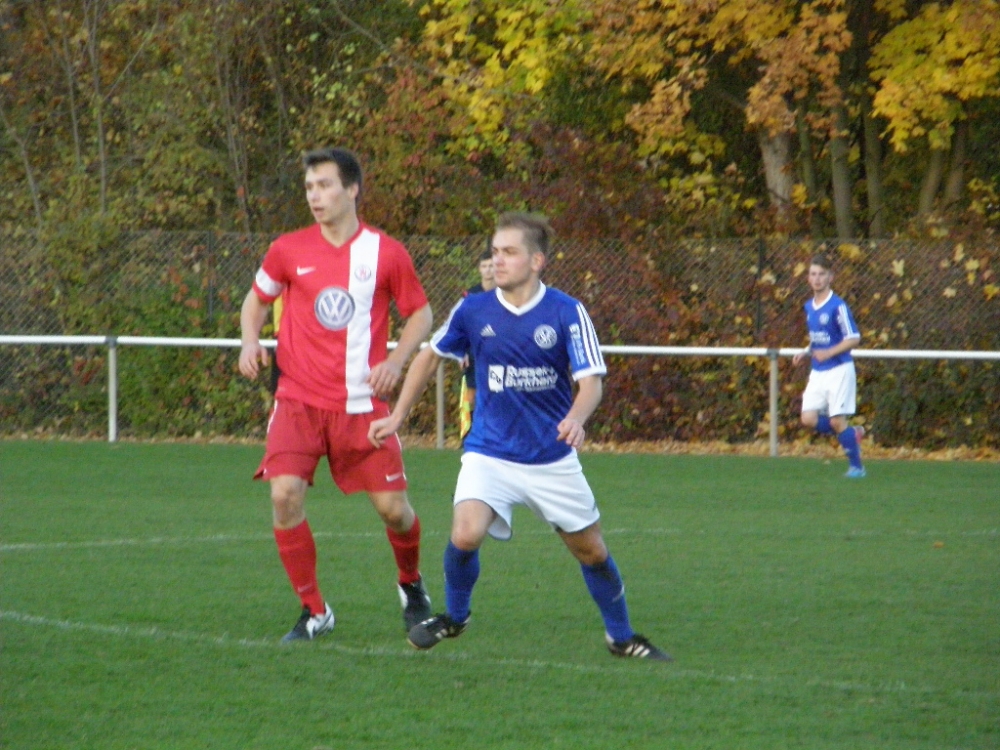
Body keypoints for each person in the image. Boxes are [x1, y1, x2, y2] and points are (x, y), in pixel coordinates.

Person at [369, 211, 672, 661]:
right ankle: (455, 616)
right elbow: (430, 357)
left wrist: (576, 418)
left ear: (537, 261)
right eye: (495, 252)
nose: (498, 261)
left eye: (509, 252)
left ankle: (621, 636)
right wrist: (398, 416)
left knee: (591, 551)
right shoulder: (473, 309)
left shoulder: (567, 312)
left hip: (550, 457)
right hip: (489, 451)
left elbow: (591, 383)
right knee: (466, 533)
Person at [239, 147, 434, 642]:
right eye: (309, 188)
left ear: (352, 189)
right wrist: (249, 341)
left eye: (324, 185)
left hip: (361, 406)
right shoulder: (287, 249)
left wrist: (395, 360)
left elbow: (421, 314)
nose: (315, 196)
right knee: (284, 496)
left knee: (394, 509)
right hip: (298, 400)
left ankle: (410, 583)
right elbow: (255, 300)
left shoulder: (386, 252)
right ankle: (314, 610)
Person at [792, 253, 866, 477]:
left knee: (836, 421)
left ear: (830, 277)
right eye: (813, 274)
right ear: (808, 278)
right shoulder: (809, 307)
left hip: (839, 370)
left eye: (821, 274)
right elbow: (818, 338)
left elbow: (854, 337)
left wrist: (829, 353)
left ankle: (857, 467)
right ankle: (852, 434)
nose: (817, 279)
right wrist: (806, 352)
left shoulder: (838, 306)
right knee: (808, 418)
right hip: (818, 370)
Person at [458, 248, 496, 438]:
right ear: (479, 269)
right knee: (472, 397)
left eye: (491, 266)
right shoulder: (470, 295)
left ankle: (494, 434)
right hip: (474, 354)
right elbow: (460, 325)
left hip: (499, 354)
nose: (488, 270)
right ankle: (472, 435)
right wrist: (461, 351)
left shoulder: (506, 293)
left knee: (496, 396)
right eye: (484, 266)